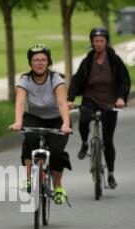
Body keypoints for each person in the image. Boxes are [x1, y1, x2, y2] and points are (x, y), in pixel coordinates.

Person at [68, 27, 131, 189]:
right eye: (95, 41)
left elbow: (124, 81)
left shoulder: (114, 60)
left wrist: (121, 98)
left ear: (107, 42)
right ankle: (84, 143)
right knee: (83, 120)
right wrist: (70, 98)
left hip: (110, 101)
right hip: (91, 99)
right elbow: (76, 80)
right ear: (92, 42)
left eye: (101, 41)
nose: (98, 44)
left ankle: (110, 174)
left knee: (108, 141)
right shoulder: (88, 60)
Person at [10, 44, 72, 204]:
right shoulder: (25, 80)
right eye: (36, 60)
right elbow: (19, 103)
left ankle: (58, 187)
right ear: (31, 63)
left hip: (57, 118)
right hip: (34, 116)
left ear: (48, 62)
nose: (39, 63)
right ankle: (30, 179)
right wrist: (18, 122)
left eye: (43, 60)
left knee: (57, 151)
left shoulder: (56, 79)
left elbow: (62, 103)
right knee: (30, 140)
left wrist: (65, 123)